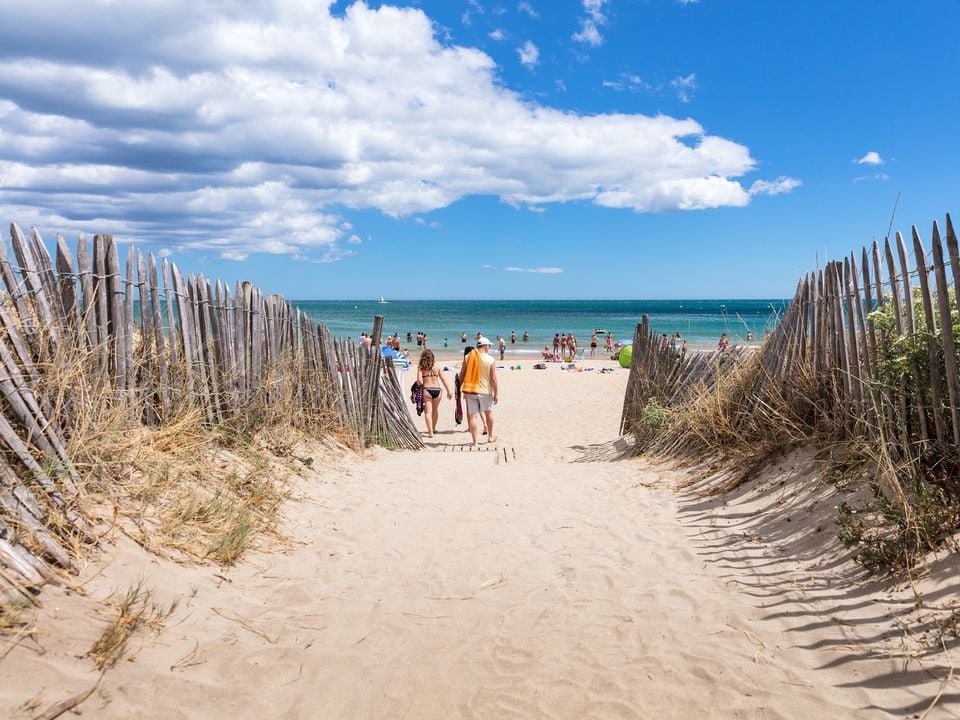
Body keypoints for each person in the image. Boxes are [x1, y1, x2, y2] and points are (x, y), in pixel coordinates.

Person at [460, 337, 498, 447]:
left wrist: (459, 387)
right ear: (486, 346)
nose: (489, 348)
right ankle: (490, 437)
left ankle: (475, 442)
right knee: (488, 412)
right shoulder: (490, 360)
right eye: (489, 346)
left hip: (471, 389)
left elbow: (462, 374)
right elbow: (493, 378)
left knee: (472, 416)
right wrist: (496, 393)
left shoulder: (468, 357)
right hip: (485, 390)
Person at [416, 350, 452, 438]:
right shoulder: (437, 367)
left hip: (427, 390)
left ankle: (430, 432)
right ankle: (434, 427)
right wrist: (449, 391)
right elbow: (444, 380)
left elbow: (419, 381)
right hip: (437, 390)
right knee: (435, 410)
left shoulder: (421, 367)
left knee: (428, 412)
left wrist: (418, 385)